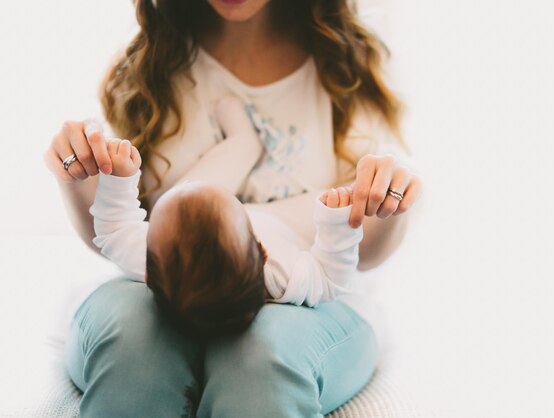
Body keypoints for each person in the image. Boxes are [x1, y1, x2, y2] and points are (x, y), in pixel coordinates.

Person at [43, 0, 422, 416]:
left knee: (262, 360)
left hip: (299, 312)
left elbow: (348, 261)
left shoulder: (347, 63)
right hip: (163, 293)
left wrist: (386, 201)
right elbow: (118, 235)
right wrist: (77, 176)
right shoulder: (150, 67)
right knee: (134, 347)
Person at [89, 95, 364, 338]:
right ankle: (246, 143)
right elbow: (331, 279)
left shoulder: (156, 259)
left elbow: (114, 230)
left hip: (220, 215)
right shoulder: (283, 276)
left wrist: (120, 178)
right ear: (262, 251)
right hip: (283, 224)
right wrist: (335, 225)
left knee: (189, 195)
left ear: (148, 275)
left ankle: (243, 143)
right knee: (334, 198)